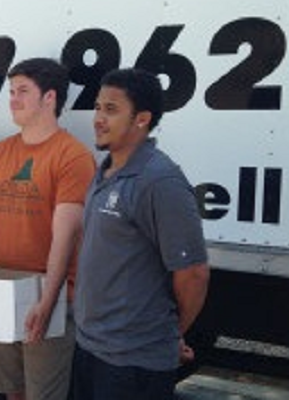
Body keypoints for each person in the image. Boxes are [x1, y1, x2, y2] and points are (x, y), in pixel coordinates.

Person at [0, 58, 96, 400]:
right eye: (11, 92)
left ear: (50, 98)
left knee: (41, 395)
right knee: (10, 391)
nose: (13, 99)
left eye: (23, 91)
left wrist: (48, 299)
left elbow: (66, 235)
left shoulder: (72, 156)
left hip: (47, 292)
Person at [72, 68, 210, 400]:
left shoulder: (160, 181)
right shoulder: (106, 170)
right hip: (90, 348)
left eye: (111, 109)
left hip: (132, 364)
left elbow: (193, 274)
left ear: (142, 119)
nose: (98, 118)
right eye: (98, 107)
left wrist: (170, 334)